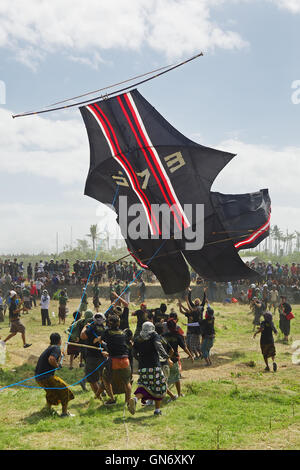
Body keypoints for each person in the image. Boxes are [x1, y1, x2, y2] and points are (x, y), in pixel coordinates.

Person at [128, 322, 170, 416]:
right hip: (154, 367)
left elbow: (133, 352)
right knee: (159, 386)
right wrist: (166, 357)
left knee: (145, 386)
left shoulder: (138, 338)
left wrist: (140, 359)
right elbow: (158, 346)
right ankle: (157, 410)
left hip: (142, 368)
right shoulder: (154, 336)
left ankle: (135, 399)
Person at [35, 332, 74, 417]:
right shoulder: (56, 348)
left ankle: (48, 410)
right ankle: (64, 413)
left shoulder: (50, 348)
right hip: (46, 377)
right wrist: (57, 366)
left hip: (39, 378)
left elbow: (53, 358)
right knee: (65, 390)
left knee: (52, 392)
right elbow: (51, 359)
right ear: (60, 340)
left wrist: (60, 356)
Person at [99, 314, 133, 407]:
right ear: (118, 323)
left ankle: (112, 399)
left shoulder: (107, 332)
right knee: (127, 382)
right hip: (125, 360)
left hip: (114, 360)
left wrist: (106, 350)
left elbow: (100, 341)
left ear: (109, 323)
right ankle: (127, 402)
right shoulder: (123, 333)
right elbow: (123, 345)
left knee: (106, 379)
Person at [80, 312, 108, 400]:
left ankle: (99, 398)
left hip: (93, 357)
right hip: (104, 356)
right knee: (103, 377)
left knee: (92, 380)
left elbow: (83, 336)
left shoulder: (91, 328)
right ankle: (103, 393)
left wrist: (85, 327)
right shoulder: (106, 329)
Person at [163, 319, 194, 399]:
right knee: (176, 378)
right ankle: (179, 394)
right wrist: (190, 355)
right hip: (174, 359)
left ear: (167, 327)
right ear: (175, 326)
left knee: (164, 378)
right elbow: (184, 348)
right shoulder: (178, 336)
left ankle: (165, 394)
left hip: (165, 360)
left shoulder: (164, 336)